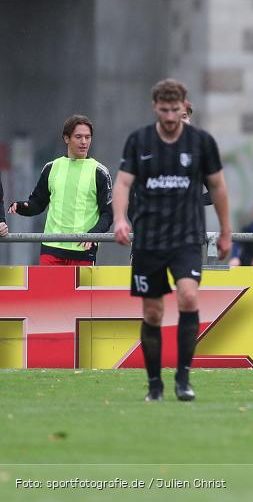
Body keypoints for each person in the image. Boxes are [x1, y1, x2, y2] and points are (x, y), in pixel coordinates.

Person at [112, 78, 232, 403]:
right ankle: (154, 384)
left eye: (175, 110)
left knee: (188, 298)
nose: (169, 116)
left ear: (184, 108)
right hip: (149, 239)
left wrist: (225, 231)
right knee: (152, 313)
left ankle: (183, 378)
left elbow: (218, 187)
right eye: (164, 110)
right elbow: (122, 183)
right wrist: (120, 218)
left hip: (187, 237)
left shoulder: (201, 142)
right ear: (155, 108)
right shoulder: (139, 141)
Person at [7, 115, 112, 265]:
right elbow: (37, 203)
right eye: (78, 137)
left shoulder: (100, 172)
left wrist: (93, 234)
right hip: (51, 248)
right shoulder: (51, 168)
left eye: (88, 137)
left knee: (76, 290)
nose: (84, 142)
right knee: (49, 290)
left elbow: (108, 213)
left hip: (83, 250)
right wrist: (22, 206)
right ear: (66, 138)